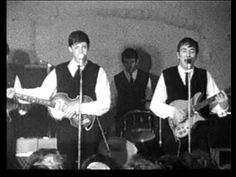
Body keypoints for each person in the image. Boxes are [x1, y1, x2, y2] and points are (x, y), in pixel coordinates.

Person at [7, 30, 111, 169]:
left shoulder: (98, 71)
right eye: (76, 47)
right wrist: (18, 92)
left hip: (89, 131)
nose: (81, 51)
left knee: (89, 164)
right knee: (65, 163)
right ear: (70, 49)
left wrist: (77, 108)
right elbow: (43, 93)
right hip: (65, 130)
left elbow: (105, 104)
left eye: (84, 47)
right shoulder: (59, 71)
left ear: (88, 48)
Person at [150, 37, 229, 156]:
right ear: (178, 55)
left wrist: (223, 106)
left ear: (196, 56)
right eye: (184, 51)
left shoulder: (204, 75)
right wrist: (173, 112)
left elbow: (214, 104)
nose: (188, 55)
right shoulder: (167, 75)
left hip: (199, 136)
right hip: (174, 134)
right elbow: (155, 105)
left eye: (192, 51)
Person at [113, 47, 153, 137]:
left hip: (141, 118)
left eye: (132, 62)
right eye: (126, 62)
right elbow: (114, 100)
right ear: (122, 62)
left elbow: (148, 99)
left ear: (137, 61)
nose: (129, 65)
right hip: (122, 118)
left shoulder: (146, 77)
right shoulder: (117, 79)